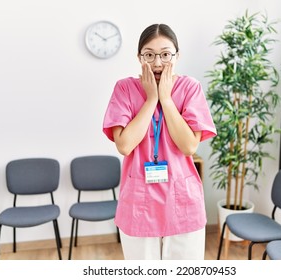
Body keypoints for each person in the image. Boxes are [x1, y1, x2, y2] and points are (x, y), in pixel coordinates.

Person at [102, 23, 217, 260]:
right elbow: (124, 145)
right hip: (138, 203)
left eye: (165, 54)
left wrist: (165, 98)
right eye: (149, 55)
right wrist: (151, 98)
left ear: (177, 56)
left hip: (182, 202)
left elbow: (189, 146)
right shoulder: (125, 88)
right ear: (139, 57)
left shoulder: (189, 88)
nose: (157, 63)